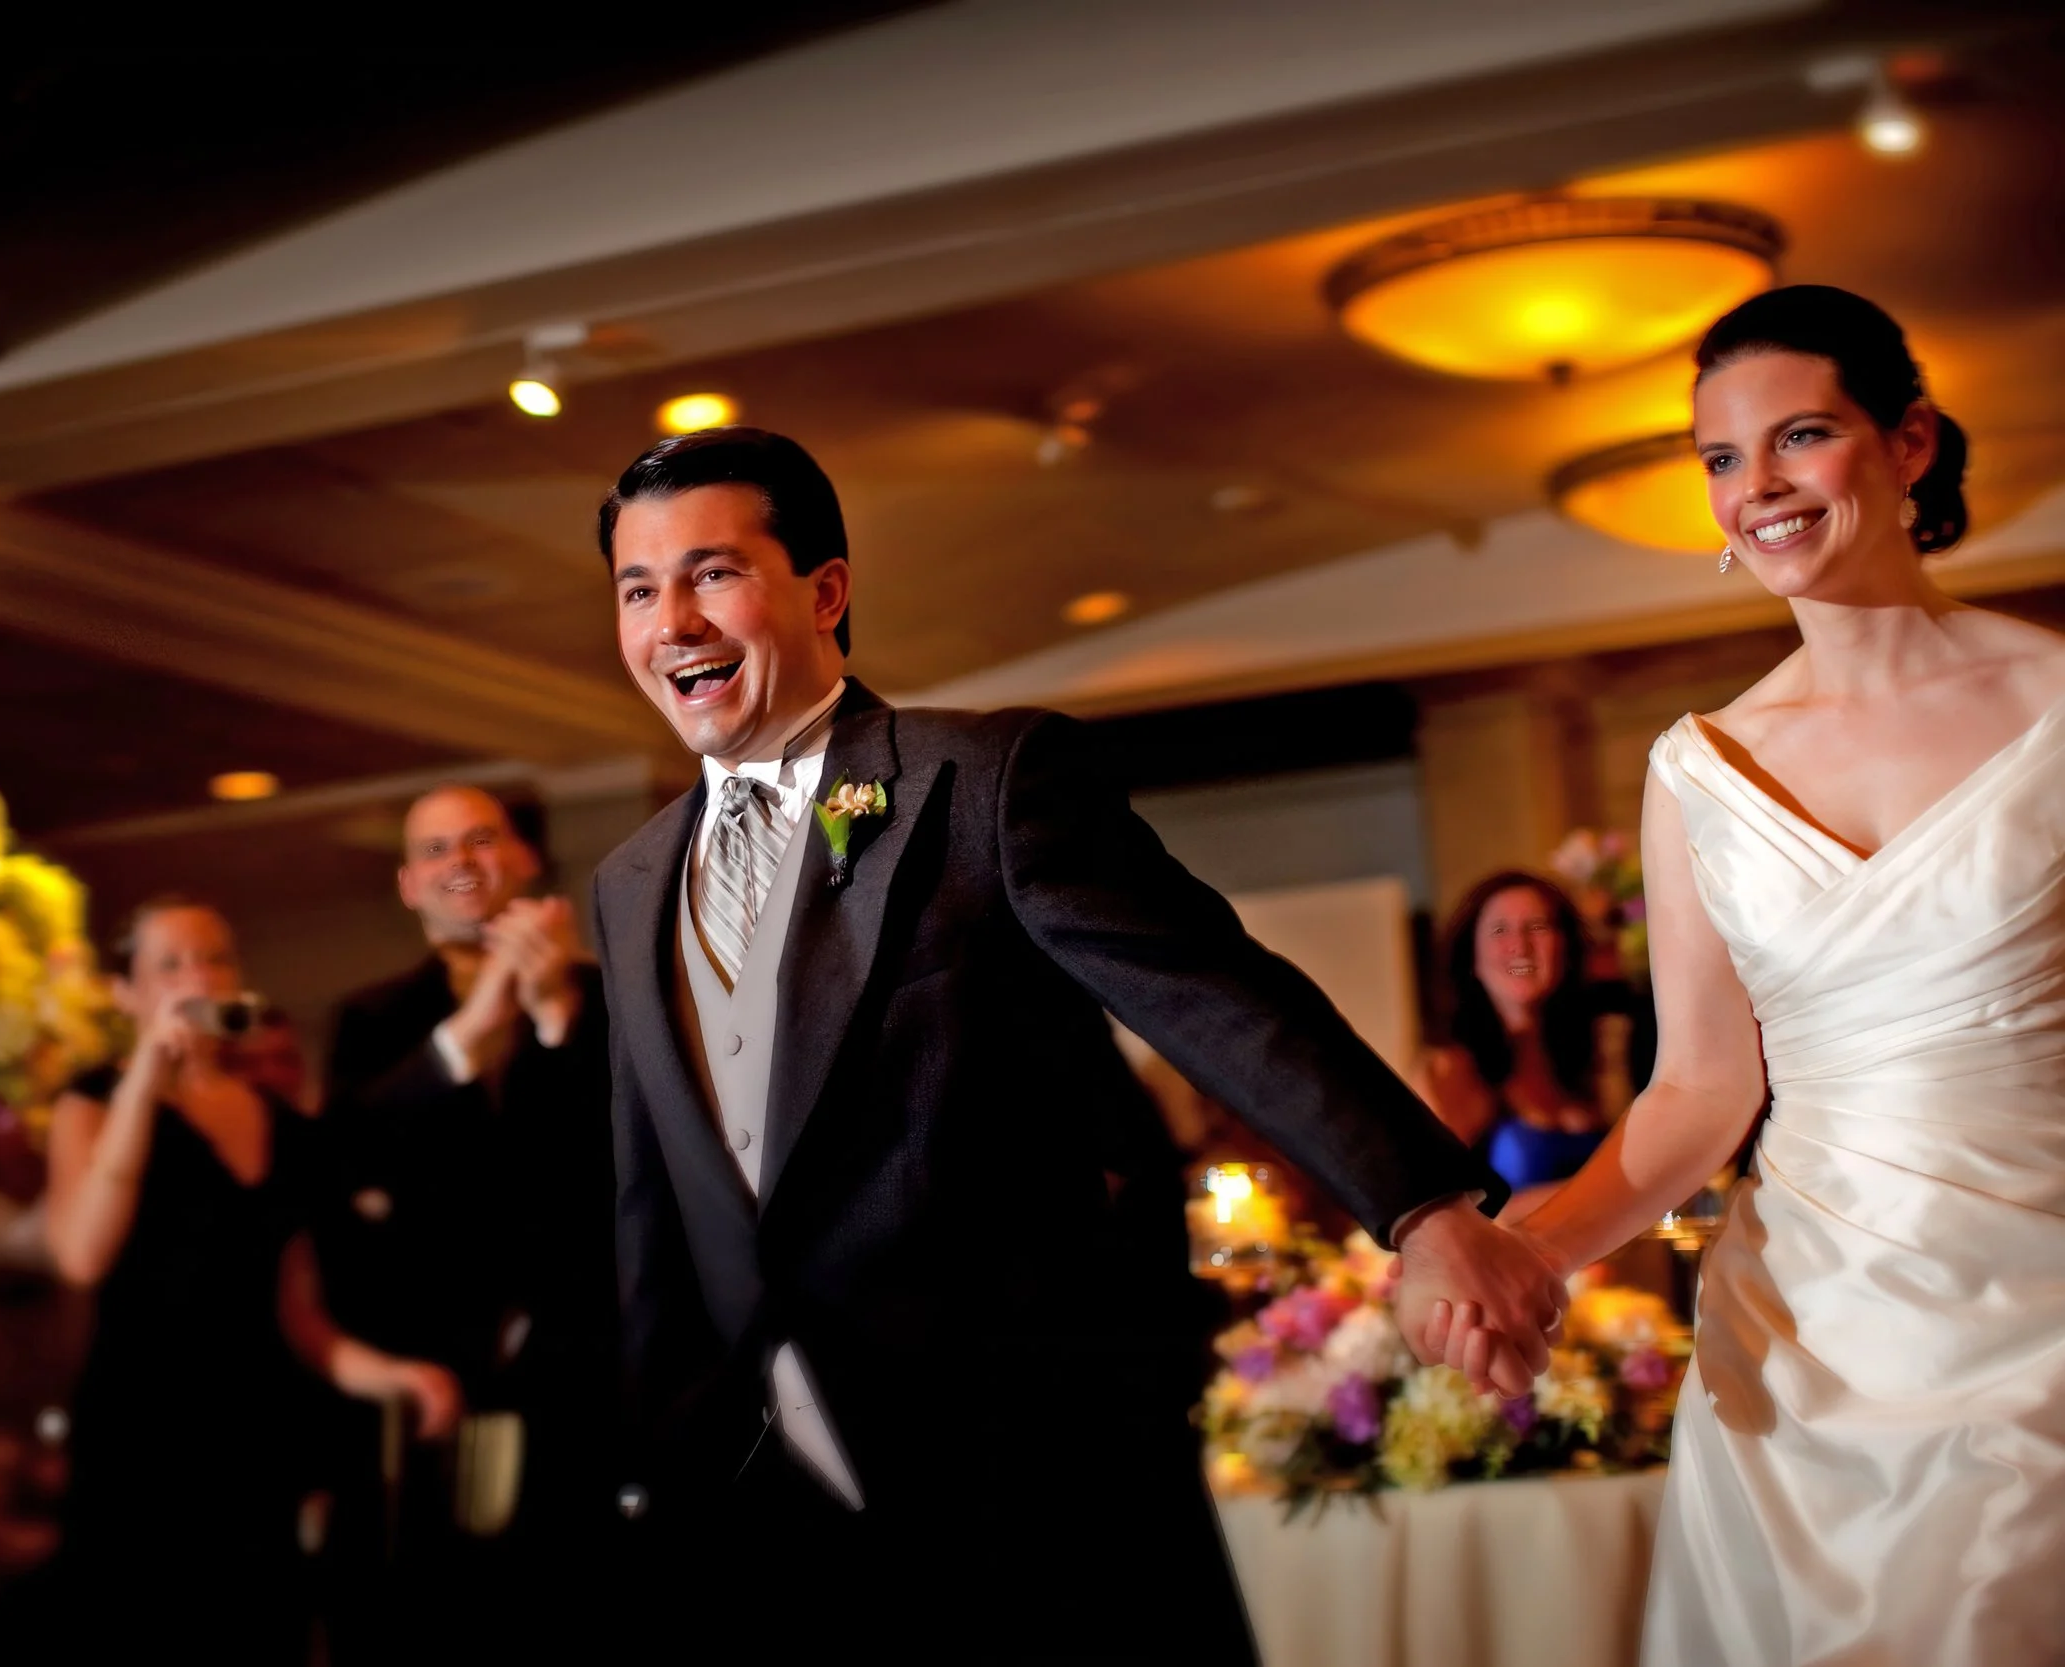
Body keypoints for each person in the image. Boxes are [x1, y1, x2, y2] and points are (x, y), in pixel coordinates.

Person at [589, 426, 1565, 1657]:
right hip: (763, 1505)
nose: (672, 621)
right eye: (639, 589)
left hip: (1021, 1468)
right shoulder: (630, 880)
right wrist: (662, 1464)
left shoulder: (981, 781)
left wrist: (1426, 1209)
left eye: (714, 573)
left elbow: (1216, 996)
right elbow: (653, 1201)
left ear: (824, 590)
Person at [1466, 285, 2065, 1663]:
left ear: (1909, 441)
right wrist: (1533, 1251)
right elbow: (1699, 1088)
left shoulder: (2055, 702)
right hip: (1807, 1330)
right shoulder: (1700, 767)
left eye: (1800, 436)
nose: (1759, 488)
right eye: (1723, 457)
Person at [300, 784, 615, 1657]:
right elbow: (352, 1162)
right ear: (408, 883)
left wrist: (554, 1017)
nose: (459, 863)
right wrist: (466, 1038)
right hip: (431, 1365)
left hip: (584, 1366)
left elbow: (613, 1169)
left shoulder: (611, 996)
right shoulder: (369, 1019)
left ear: (524, 859)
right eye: (435, 850)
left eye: (480, 839)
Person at [41, 897, 345, 1666]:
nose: (197, 978)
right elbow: (81, 1255)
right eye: (170, 964)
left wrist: (393, 1373)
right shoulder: (90, 1099)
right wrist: (146, 1079)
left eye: (214, 958)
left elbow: (297, 1306)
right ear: (126, 991)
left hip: (255, 1432)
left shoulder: (279, 1118)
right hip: (140, 1434)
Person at [1413, 872, 1614, 1201]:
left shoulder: (1594, 1053)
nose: (1520, 946)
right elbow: (1443, 1213)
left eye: (1537, 927)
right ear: (1471, 956)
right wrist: (1607, 1195)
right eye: (1499, 930)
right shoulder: (1451, 1068)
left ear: (1565, 948)